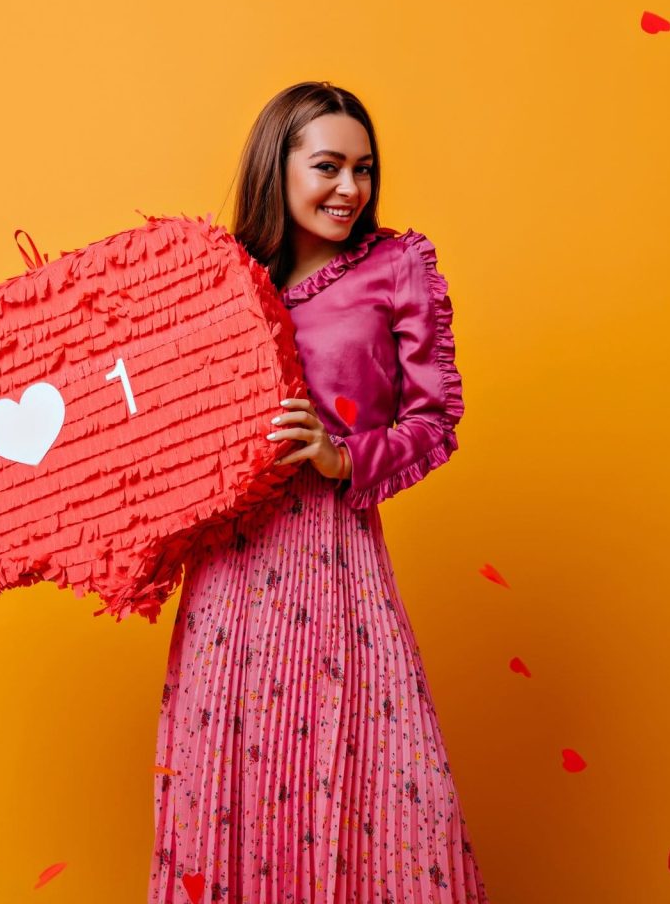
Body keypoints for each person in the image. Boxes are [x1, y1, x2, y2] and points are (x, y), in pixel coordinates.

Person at [148, 81, 490, 904]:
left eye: (363, 170)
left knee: (393, 784)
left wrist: (343, 458)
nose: (350, 190)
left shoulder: (394, 268)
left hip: (337, 561)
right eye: (329, 166)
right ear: (278, 165)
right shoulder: (217, 280)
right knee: (228, 787)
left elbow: (435, 420)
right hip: (229, 576)